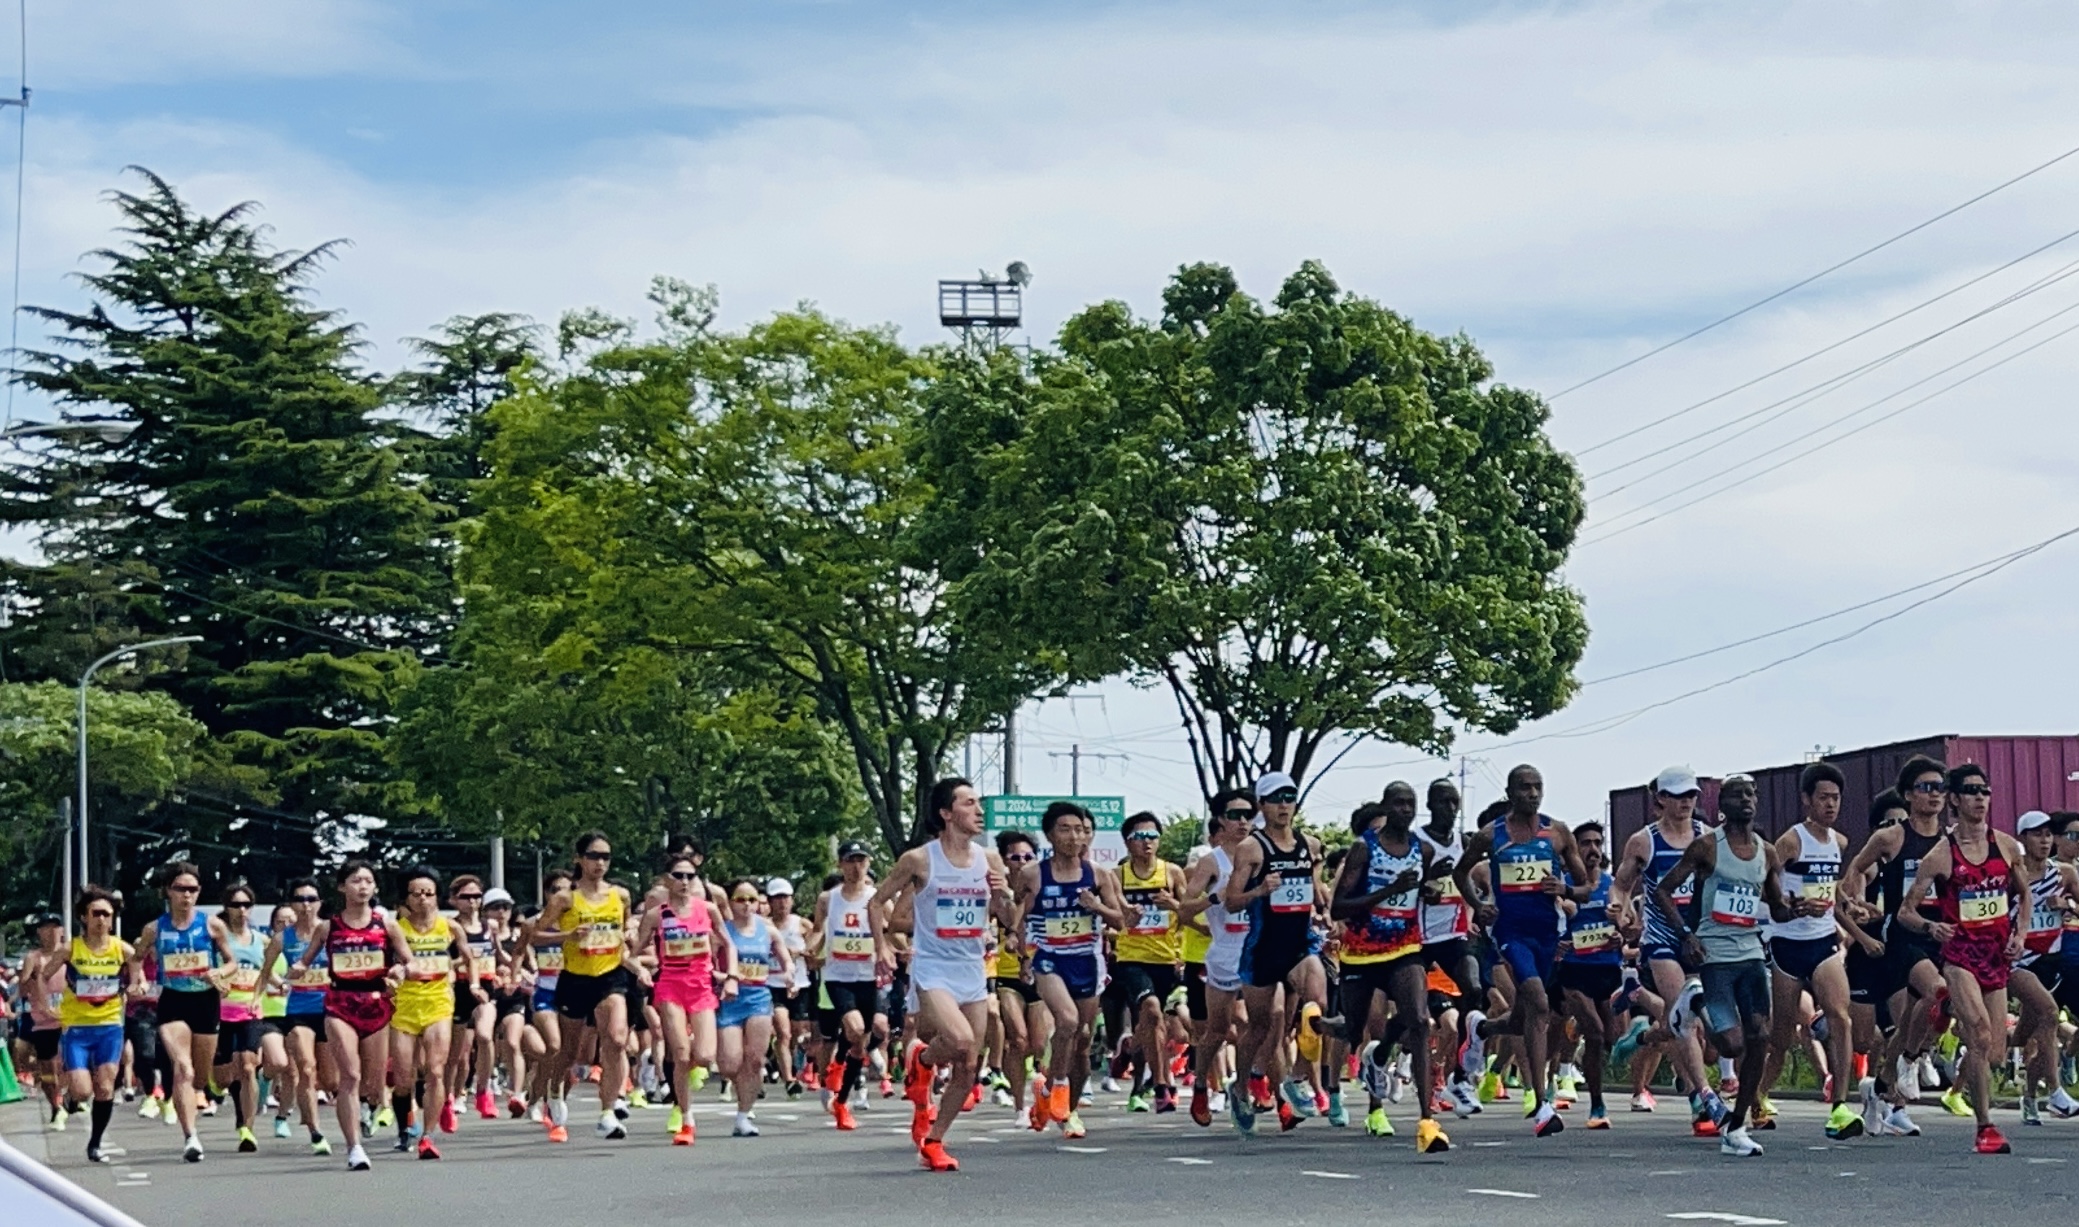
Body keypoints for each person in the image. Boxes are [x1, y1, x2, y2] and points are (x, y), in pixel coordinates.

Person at [870, 777, 1018, 1172]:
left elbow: (1008, 919)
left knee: (969, 1062)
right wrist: (883, 945)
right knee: (960, 1039)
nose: (979, 810)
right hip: (934, 965)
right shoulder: (920, 859)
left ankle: (934, 1139)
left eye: (979, 803)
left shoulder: (990, 861)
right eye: (969, 803)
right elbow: (877, 902)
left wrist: (1004, 895)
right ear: (946, 813)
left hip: (971, 965)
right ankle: (922, 1061)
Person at [1452, 764, 1594, 1139]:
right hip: (1510, 931)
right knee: (1539, 1003)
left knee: (1523, 1016)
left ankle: (1481, 1029)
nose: (1532, 794)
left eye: (1538, 787)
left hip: (1547, 931)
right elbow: (1459, 872)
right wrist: (1478, 905)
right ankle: (1541, 1101)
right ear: (1510, 793)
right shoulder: (1491, 835)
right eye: (1525, 788)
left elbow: (1586, 888)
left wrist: (1562, 889)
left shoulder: (1557, 832)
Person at [1656, 782, 1796, 1158]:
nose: (1746, 801)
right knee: (1730, 1044)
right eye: (1737, 795)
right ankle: (1694, 1002)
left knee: (1760, 1037)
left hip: (1751, 953)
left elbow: (1776, 904)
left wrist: (1795, 909)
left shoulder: (1766, 852)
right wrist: (1686, 935)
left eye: (1751, 794)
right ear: (1722, 804)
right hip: (1715, 953)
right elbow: (1663, 891)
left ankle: (1736, 1127)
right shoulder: (1707, 847)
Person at [1896, 762, 2028, 1154]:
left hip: (1997, 954)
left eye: (1985, 791)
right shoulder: (1941, 855)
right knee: (1979, 1032)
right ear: (1954, 799)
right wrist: (1931, 928)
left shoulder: (2006, 846)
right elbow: (1906, 911)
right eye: (1971, 791)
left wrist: (2020, 933)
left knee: (1995, 1051)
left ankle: (1946, 1007)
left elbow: (2024, 895)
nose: (1980, 799)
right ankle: (1985, 1127)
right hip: (1960, 955)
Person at [1332, 785, 1450, 1152]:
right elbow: (1339, 908)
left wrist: (1426, 892)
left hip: (1405, 947)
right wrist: (1389, 891)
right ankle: (1315, 1024)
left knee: (1419, 1019)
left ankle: (1427, 1121)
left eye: (1411, 804)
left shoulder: (1423, 849)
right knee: (1351, 1029)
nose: (1405, 810)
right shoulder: (1364, 848)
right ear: (1386, 806)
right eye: (1398, 804)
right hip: (1362, 952)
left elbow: (1417, 891)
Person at [1838, 754, 1951, 1131]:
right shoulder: (1892, 837)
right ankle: (1913, 1061)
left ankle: (1882, 1087)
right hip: (1901, 934)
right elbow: (1856, 867)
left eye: (1940, 787)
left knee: (1909, 1022)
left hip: (1941, 931)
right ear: (1908, 794)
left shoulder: (1950, 841)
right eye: (1925, 787)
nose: (1934, 794)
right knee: (1937, 991)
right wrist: (1855, 901)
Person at [1611, 766, 1725, 1136]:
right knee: (1685, 1017)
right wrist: (1620, 910)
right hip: (1661, 941)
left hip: (1700, 938)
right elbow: (1621, 886)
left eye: (1691, 795)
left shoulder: (1707, 837)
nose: (1685, 803)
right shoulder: (1645, 841)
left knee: (1709, 1038)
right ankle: (1703, 1097)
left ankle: (1641, 1037)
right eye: (1677, 796)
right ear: (1659, 798)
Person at [1222, 771, 1333, 1134]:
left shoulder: (1310, 845)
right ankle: (1239, 1090)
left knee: (1317, 1006)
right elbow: (1232, 902)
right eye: (1276, 798)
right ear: (1262, 806)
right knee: (1260, 1026)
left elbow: (1316, 891)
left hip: (1300, 943)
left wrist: (1326, 907)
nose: (1284, 804)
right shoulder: (1252, 848)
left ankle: (1298, 1077)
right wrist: (1260, 891)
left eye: (1290, 797)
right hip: (1263, 946)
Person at [1756, 762, 1862, 1139]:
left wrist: (1848, 906)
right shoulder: (1791, 841)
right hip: (1786, 944)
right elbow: (1764, 886)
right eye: (1823, 798)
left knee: (1840, 1017)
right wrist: (1792, 902)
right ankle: (1759, 1094)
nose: (1831, 805)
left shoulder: (1841, 842)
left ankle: (1841, 1105)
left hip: (1822, 942)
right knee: (1781, 1038)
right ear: (1807, 800)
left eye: (1836, 798)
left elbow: (1830, 887)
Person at [1012, 800, 1126, 1139]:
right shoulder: (1033, 873)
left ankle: (1067, 1108)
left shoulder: (1099, 875)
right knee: (1067, 1020)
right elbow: (1016, 909)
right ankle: (1056, 1086)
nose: (1073, 836)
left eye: (1079, 829)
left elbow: (1119, 920)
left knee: (1082, 1041)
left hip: (1087, 961)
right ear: (1050, 834)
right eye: (1065, 829)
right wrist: (1019, 947)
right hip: (1049, 959)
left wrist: (1096, 906)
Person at [287, 859, 397, 1171]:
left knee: (374, 1084)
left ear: (374, 887)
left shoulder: (386, 926)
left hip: (377, 1003)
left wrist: (401, 970)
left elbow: (410, 961)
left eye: (368, 881)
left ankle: (369, 1107)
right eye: (355, 880)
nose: (362, 886)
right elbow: (304, 962)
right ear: (341, 887)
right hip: (339, 1004)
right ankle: (354, 1148)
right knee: (350, 1076)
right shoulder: (329, 927)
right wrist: (295, 971)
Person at [129, 860, 238, 1163]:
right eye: (180, 889)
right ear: (168, 891)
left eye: (192, 889)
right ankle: (190, 1136)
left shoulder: (211, 924)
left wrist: (219, 974)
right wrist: (138, 980)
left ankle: (203, 1090)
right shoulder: (154, 928)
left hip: (205, 1002)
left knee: (200, 1077)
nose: (187, 895)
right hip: (173, 1002)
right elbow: (136, 958)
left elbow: (231, 961)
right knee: (183, 1069)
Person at [538, 831, 638, 1142]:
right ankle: (554, 1094)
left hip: (610, 975)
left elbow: (623, 931)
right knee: (569, 1051)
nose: (600, 862)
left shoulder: (620, 895)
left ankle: (608, 1112)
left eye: (606, 857)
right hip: (575, 978)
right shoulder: (565, 898)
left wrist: (629, 942)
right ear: (579, 860)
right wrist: (567, 937)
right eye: (594, 856)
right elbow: (536, 935)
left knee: (616, 1039)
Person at [630, 853, 733, 1144]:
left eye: (691, 876)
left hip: (701, 986)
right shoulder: (656, 915)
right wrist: (641, 970)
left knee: (704, 1056)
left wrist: (732, 975)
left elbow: (729, 943)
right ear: (667, 880)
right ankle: (685, 1118)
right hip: (670, 986)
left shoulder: (708, 910)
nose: (685, 881)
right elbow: (633, 954)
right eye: (678, 876)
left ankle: (686, 1080)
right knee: (681, 1054)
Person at [389, 866, 481, 1158]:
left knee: (436, 1070)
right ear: (407, 897)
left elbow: (469, 957)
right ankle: (405, 1127)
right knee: (404, 1076)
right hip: (403, 1005)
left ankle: (428, 1136)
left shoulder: (450, 927)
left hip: (438, 1001)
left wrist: (475, 983)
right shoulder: (395, 929)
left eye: (429, 893)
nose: (423, 899)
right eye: (416, 893)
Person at [1415, 778, 1486, 1117]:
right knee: (1412, 1015)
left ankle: (1460, 1074)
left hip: (1453, 935)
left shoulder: (1465, 842)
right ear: (1429, 804)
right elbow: (1403, 884)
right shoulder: (1418, 842)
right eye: (1443, 802)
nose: (1450, 808)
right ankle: (1383, 1054)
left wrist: (1473, 912)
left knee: (1473, 990)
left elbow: (1471, 880)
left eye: (1455, 802)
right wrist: (1423, 883)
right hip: (1417, 938)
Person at [54, 886, 138, 1164]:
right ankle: (69, 1099)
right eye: (96, 913)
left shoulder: (122, 949)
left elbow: (139, 976)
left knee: (104, 1089)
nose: (102, 919)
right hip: (77, 1028)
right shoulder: (71, 949)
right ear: (84, 917)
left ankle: (95, 1143)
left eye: (107, 914)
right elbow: (42, 976)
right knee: (82, 1091)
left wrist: (139, 985)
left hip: (110, 1026)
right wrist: (44, 1005)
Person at [1112, 811, 1186, 1114]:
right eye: (1140, 837)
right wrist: (1126, 916)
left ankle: (1128, 1052)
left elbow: (1190, 914)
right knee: (1152, 1012)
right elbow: (1113, 918)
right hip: (1131, 958)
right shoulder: (1117, 877)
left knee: (1156, 1025)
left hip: (1166, 959)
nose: (1148, 843)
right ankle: (1160, 1085)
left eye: (1153, 836)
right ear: (1127, 842)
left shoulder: (1172, 873)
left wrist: (1174, 905)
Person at [2008, 810, 2079, 1122]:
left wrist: (2068, 905)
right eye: (2037, 834)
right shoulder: (2012, 874)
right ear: (2024, 838)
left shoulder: (2064, 874)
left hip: (2054, 961)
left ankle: (2028, 1094)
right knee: (2048, 1016)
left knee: (2034, 1034)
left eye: (2049, 834)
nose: (2045, 840)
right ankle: (2055, 1092)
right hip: (2019, 962)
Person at [1554, 821, 1624, 1130]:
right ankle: (1597, 1105)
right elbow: (1551, 921)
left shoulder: (1613, 885)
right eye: (1586, 844)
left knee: (1611, 1038)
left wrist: (1621, 935)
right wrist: (1559, 939)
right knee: (1595, 1032)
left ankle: (1575, 1028)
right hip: (1573, 970)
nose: (1593, 849)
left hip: (1607, 968)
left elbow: (1631, 927)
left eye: (1598, 843)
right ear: (1574, 850)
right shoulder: (1563, 884)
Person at [258, 880, 332, 1154]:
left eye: (311, 898)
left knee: (333, 1080)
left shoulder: (331, 930)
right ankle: (315, 1132)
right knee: (306, 1068)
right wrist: (281, 982)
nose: (306, 904)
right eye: (300, 899)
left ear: (320, 903)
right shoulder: (282, 939)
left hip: (331, 1009)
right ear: (292, 904)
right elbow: (265, 970)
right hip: (299, 1010)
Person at [718, 879, 790, 1136]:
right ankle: (741, 1091)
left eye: (752, 900)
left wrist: (789, 976)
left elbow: (785, 959)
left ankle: (743, 1114)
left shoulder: (767, 930)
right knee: (729, 1064)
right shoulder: (722, 931)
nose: (747, 905)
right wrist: (724, 977)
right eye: (741, 899)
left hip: (759, 997)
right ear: (731, 902)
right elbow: (706, 962)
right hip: (729, 999)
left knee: (755, 1058)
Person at [990, 830, 1050, 1124]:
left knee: (1039, 1045)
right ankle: (1018, 1105)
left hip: (1040, 972)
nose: (1022, 862)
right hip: (1007, 973)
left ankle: (1045, 1092)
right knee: (1019, 1040)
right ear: (1004, 860)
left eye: (1029, 857)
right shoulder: (996, 892)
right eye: (1016, 857)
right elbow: (1004, 916)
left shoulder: (1042, 888)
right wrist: (1005, 894)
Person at [212, 883, 270, 1154]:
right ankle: (228, 1094)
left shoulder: (261, 941)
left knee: (248, 1067)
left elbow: (265, 972)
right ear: (227, 908)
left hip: (250, 1011)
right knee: (224, 1077)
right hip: (220, 1013)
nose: (242, 910)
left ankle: (248, 1128)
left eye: (246, 905)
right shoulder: (218, 939)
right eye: (236, 905)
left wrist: (277, 984)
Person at [517, 870, 572, 1132]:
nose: (561, 895)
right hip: (545, 994)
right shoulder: (533, 924)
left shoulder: (580, 921)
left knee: (568, 1058)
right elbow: (518, 953)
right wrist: (518, 973)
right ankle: (538, 1100)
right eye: (555, 890)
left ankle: (550, 1096)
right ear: (547, 894)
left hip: (573, 992)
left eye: (566, 890)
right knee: (553, 1046)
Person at [446, 874, 501, 1125]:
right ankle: (449, 1096)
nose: (472, 902)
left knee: (485, 1035)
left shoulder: (491, 926)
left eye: (477, 896)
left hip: (486, 988)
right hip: (459, 988)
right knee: (457, 1054)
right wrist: (466, 959)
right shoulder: (450, 927)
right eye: (466, 897)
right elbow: (445, 960)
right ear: (454, 900)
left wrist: (507, 971)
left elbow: (498, 954)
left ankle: (483, 1090)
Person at [19, 913, 68, 1131]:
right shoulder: (34, 957)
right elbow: (21, 988)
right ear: (39, 932)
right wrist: (31, 977)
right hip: (43, 1020)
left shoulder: (70, 953)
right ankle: (56, 1106)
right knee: (48, 1069)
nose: (50, 932)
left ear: (62, 931)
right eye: (45, 928)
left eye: (55, 927)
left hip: (70, 1019)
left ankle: (69, 1099)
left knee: (68, 1064)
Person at [766, 877, 812, 1099]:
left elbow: (816, 949)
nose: (782, 903)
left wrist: (801, 952)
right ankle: (790, 1080)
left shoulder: (801, 924)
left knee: (796, 1032)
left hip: (799, 984)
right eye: (777, 898)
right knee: (783, 1032)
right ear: (770, 902)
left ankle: (784, 1057)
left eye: (785, 898)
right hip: (772, 984)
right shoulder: (763, 926)